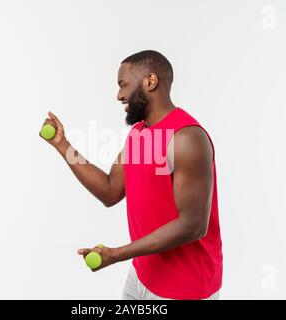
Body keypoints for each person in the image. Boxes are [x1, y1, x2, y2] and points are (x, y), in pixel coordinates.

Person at [40, 50, 222, 300]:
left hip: (185, 288)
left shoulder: (187, 138)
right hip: (143, 274)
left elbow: (193, 225)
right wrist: (62, 144)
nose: (119, 95)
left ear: (150, 81)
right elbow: (110, 190)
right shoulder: (138, 133)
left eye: (123, 84)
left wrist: (116, 254)